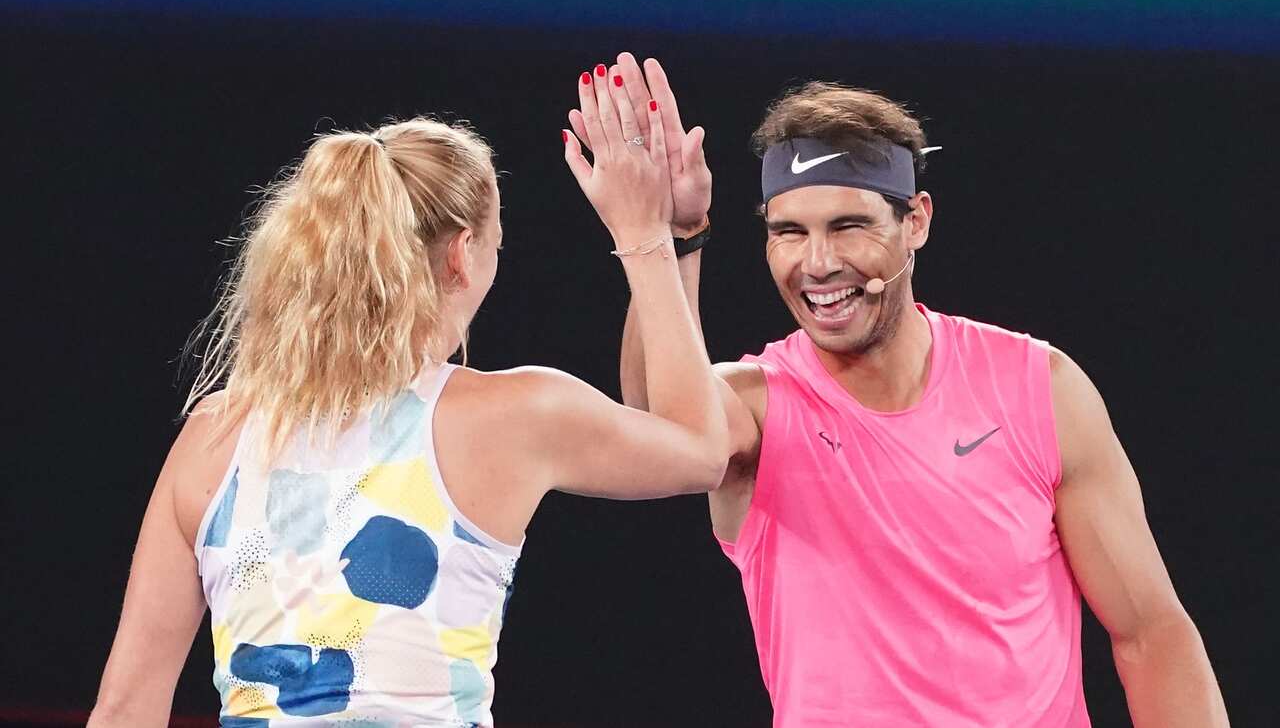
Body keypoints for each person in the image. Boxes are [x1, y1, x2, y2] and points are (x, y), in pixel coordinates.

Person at [585, 53, 1229, 726]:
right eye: (789, 233)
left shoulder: (1040, 388)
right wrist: (670, 236)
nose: (819, 263)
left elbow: (1151, 634)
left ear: (915, 221)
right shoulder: (758, 406)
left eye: (849, 226)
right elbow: (666, 435)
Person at [89, 78, 730, 727]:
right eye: (495, 245)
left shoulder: (214, 434)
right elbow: (702, 449)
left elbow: (123, 708)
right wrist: (654, 233)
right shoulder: (510, 416)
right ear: (461, 255)